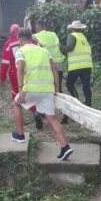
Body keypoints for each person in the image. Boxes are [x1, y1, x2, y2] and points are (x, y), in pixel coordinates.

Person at [12, 28, 73, 161]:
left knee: (16, 104)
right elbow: (54, 68)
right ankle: (65, 146)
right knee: (52, 118)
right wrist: (56, 87)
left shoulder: (20, 51)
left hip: (31, 88)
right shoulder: (44, 50)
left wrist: (20, 89)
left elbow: (20, 69)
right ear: (31, 38)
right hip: (47, 89)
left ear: (20, 39)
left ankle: (20, 135)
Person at [0, 24, 42, 129]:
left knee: (16, 95)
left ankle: (19, 124)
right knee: (30, 92)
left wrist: (2, 76)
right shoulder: (33, 41)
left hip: (15, 72)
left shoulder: (9, 43)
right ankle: (35, 110)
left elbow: (5, 62)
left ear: (11, 32)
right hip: (32, 71)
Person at [61, 20, 93, 123]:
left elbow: (69, 48)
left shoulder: (72, 35)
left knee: (69, 84)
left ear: (72, 28)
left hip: (76, 66)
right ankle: (88, 104)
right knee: (86, 85)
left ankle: (77, 101)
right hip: (87, 65)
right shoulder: (83, 37)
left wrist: (61, 48)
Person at [33, 21, 65, 92]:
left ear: (36, 29)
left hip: (46, 66)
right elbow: (59, 46)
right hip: (58, 64)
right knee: (58, 88)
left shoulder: (35, 36)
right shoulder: (53, 34)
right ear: (44, 27)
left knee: (49, 89)